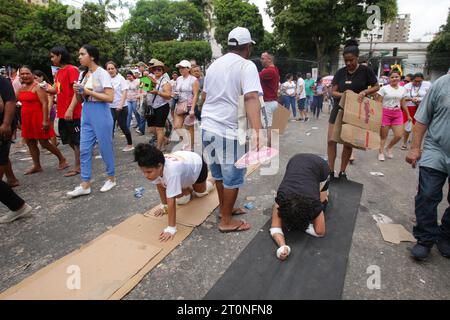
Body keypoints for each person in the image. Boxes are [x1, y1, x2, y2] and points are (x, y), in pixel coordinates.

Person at [201, 26, 263, 233]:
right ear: (248, 47)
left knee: (219, 175)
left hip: (207, 127)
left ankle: (224, 209)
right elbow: (251, 98)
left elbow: (205, 96)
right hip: (227, 131)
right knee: (233, 178)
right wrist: (258, 131)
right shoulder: (247, 66)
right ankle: (226, 221)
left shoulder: (213, 65)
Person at [406, 74, 450, 261]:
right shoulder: (441, 84)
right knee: (427, 194)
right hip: (436, 149)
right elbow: (422, 119)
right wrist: (415, 148)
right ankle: (425, 239)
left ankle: (446, 234)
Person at [134, 143, 214, 241]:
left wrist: (171, 228)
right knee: (182, 200)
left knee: (200, 193)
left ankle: (214, 179)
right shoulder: (155, 165)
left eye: (149, 172)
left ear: (159, 166)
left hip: (197, 163)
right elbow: (159, 184)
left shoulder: (171, 172)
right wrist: (164, 206)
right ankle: (187, 186)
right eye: (143, 172)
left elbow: (171, 200)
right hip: (183, 164)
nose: (146, 175)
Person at [67, 44, 115, 198]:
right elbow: (80, 95)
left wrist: (87, 91)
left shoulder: (102, 73)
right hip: (86, 111)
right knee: (84, 148)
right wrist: (71, 107)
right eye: (79, 54)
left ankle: (111, 178)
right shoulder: (84, 74)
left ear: (92, 56)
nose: (79, 57)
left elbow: (110, 97)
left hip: (100, 111)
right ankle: (85, 183)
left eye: (82, 54)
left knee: (105, 147)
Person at [328, 39, 379, 179]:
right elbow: (333, 92)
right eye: (346, 60)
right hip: (338, 109)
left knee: (347, 142)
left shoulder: (365, 71)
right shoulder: (340, 72)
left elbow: (376, 86)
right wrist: (345, 95)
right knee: (331, 140)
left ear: (357, 58)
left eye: (351, 60)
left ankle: (342, 171)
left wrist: (364, 92)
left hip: (355, 112)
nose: (348, 63)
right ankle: (330, 171)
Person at [270, 154, 330, 260]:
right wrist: (282, 246)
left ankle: (323, 189)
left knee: (323, 202)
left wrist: (302, 227)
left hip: (321, 166)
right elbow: (275, 228)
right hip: (295, 160)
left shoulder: (314, 203)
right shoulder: (281, 198)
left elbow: (320, 232)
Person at [17, 66, 69, 175]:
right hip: (26, 119)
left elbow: (45, 104)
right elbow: (15, 102)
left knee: (44, 142)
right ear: (19, 76)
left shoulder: (38, 87)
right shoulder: (21, 88)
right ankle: (37, 165)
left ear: (32, 74)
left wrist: (45, 120)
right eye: (22, 74)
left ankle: (62, 159)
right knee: (30, 142)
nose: (25, 76)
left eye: (27, 73)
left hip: (38, 118)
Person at [43, 46, 83, 177]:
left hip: (73, 113)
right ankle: (80, 162)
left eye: (53, 56)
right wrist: (45, 87)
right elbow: (56, 89)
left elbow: (76, 91)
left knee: (76, 140)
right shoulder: (59, 72)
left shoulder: (71, 70)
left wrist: (70, 109)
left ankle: (78, 166)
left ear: (60, 56)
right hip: (62, 113)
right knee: (68, 139)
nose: (51, 59)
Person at [376, 70, 412, 161]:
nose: (394, 79)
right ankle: (381, 152)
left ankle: (389, 147)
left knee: (399, 135)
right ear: (389, 79)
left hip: (397, 113)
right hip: (385, 113)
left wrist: (408, 115)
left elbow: (403, 103)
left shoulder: (402, 89)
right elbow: (378, 103)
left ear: (400, 78)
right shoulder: (384, 89)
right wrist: (376, 115)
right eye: (392, 77)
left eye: (396, 77)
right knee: (384, 136)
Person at [106, 61, 133, 152]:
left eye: (112, 68)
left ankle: (130, 144)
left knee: (123, 126)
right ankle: (109, 146)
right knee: (110, 127)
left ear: (116, 69)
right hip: (110, 106)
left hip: (121, 107)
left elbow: (124, 92)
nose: (110, 70)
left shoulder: (120, 78)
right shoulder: (106, 79)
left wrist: (121, 105)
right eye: (108, 69)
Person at [173, 60, 199, 151]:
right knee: (176, 126)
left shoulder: (193, 80)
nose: (181, 69)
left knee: (189, 128)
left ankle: (191, 147)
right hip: (180, 104)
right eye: (179, 68)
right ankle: (186, 141)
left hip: (189, 105)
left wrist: (192, 108)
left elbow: (195, 94)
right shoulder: (179, 79)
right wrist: (175, 94)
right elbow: (177, 91)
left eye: (183, 67)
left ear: (188, 69)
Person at [146, 60, 172, 151]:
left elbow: (168, 96)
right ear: (152, 70)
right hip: (150, 106)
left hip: (162, 106)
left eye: (159, 69)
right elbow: (143, 89)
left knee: (159, 129)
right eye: (155, 69)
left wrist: (158, 92)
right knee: (151, 130)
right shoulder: (149, 78)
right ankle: (164, 139)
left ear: (163, 71)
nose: (157, 71)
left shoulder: (165, 81)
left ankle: (158, 148)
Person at [401, 73, 431, 150]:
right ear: (412, 80)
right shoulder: (406, 86)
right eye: (415, 81)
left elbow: (430, 96)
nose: (417, 83)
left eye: (419, 81)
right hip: (410, 107)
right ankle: (404, 143)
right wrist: (411, 99)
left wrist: (420, 100)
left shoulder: (427, 84)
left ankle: (416, 145)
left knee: (419, 127)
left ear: (423, 80)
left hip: (422, 107)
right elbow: (402, 99)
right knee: (408, 127)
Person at [0, 75, 19, 187]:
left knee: (2, 153)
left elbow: (10, 101)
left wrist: (6, 124)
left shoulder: (2, 81)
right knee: (3, 154)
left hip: (3, 123)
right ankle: (11, 178)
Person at [33, 70, 57, 148]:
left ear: (42, 77)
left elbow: (50, 101)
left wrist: (48, 113)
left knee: (50, 128)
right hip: (43, 110)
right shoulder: (37, 86)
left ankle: (54, 145)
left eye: (36, 78)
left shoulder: (47, 86)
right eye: (33, 78)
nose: (34, 80)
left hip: (49, 110)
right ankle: (48, 144)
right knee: (45, 128)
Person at [259, 52, 280, 142]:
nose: (261, 60)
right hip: (272, 102)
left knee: (268, 128)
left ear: (269, 60)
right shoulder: (275, 69)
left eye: (263, 58)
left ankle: (269, 150)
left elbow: (255, 76)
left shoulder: (269, 71)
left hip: (268, 102)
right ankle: (270, 148)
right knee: (269, 127)